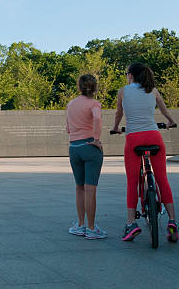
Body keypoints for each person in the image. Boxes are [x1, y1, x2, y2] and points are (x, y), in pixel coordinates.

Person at [111, 62, 178, 242]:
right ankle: (172, 222)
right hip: (154, 137)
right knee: (162, 179)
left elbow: (119, 113)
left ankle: (131, 223)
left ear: (131, 75)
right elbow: (164, 110)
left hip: (134, 139)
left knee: (132, 182)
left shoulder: (123, 91)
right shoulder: (153, 91)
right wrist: (171, 122)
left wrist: (116, 128)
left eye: (126, 73)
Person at [66, 74, 107, 239]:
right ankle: (91, 229)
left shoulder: (71, 104)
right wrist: (96, 138)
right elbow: (97, 118)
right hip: (89, 147)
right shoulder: (94, 104)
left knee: (79, 188)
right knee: (91, 189)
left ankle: (81, 225)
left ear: (79, 87)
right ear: (95, 88)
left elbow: (68, 128)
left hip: (74, 148)